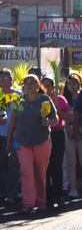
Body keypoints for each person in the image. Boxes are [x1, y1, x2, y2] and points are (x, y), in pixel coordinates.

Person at [7, 75, 58, 213]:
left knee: (40, 173)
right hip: (23, 142)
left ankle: (41, 201)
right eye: (26, 83)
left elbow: (55, 118)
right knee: (26, 173)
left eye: (32, 83)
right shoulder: (19, 101)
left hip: (41, 141)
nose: (29, 86)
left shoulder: (44, 100)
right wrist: (8, 142)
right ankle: (28, 203)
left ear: (37, 85)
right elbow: (13, 122)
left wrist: (49, 122)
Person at [0, 69, 21, 206]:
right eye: (0, 78)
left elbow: (20, 116)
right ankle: (1, 193)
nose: (3, 80)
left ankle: (12, 194)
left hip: (16, 136)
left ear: (11, 79)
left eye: (5, 77)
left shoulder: (18, 95)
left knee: (13, 167)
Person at [41, 77, 68, 208]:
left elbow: (69, 117)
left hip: (57, 134)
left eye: (48, 86)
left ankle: (59, 194)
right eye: (43, 85)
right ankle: (48, 196)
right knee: (45, 166)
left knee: (56, 165)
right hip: (44, 135)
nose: (46, 88)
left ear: (52, 86)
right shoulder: (40, 100)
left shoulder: (60, 99)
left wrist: (57, 108)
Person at [68, 73, 82, 198]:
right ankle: (72, 188)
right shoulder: (64, 98)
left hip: (79, 129)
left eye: (74, 83)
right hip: (68, 131)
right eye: (69, 83)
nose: (71, 86)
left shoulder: (80, 96)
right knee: (71, 161)